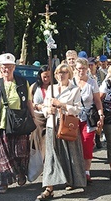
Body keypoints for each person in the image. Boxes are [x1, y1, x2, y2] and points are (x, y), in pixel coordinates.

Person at [0, 53, 35, 194]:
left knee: (19, 152)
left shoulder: (23, 82)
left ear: (14, 67)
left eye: (10, 67)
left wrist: (34, 119)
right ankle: (3, 182)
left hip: (19, 123)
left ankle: (19, 173)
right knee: (2, 154)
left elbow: (29, 102)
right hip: (1, 124)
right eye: (4, 67)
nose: (7, 69)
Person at [36, 63, 86, 200]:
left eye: (64, 72)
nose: (61, 75)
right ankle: (48, 188)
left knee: (70, 155)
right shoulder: (51, 89)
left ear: (69, 74)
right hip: (53, 125)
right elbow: (45, 107)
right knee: (51, 156)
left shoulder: (74, 90)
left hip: (67, 126)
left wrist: (62, 105)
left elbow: (78, 110)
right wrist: (48, 110)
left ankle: (72, 179)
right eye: (58, 72)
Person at [74, 57, 104, 185]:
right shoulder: (71, 82)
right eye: (79, 68)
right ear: (75, 69)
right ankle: (75, 171)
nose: (81, 71)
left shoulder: (92, 82)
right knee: (75, 144)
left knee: (86, 143)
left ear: (88, 69)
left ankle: (86, 172)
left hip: (88, 118)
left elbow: (97, 100)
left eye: (84, 68)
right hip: (73, 118)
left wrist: (101, 114)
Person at [30, 65, 51, 160]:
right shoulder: (34, 86)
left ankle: (47, 165)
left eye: (49, 76)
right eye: (44, 77)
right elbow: (29, 101)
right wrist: (36, 106)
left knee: (48, 145)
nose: (46, 79)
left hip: (50, 119)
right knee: (38, 145)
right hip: (38, 120)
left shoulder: (55, 87)